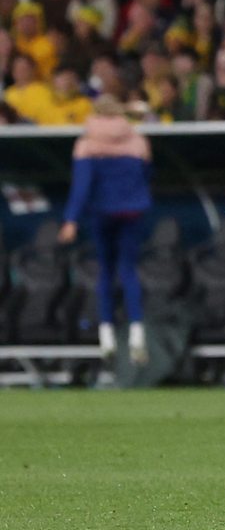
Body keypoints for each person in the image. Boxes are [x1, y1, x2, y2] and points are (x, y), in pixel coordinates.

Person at [58, 95, 152, 365]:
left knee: (106, 271)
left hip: (103, 213)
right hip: (133, 211)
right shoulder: (137, 140)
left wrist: (70, 220)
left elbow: (82, 186)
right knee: (129, 270)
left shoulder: (87, 143)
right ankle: (136, 331)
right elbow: (147, 175)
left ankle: (107, 333)